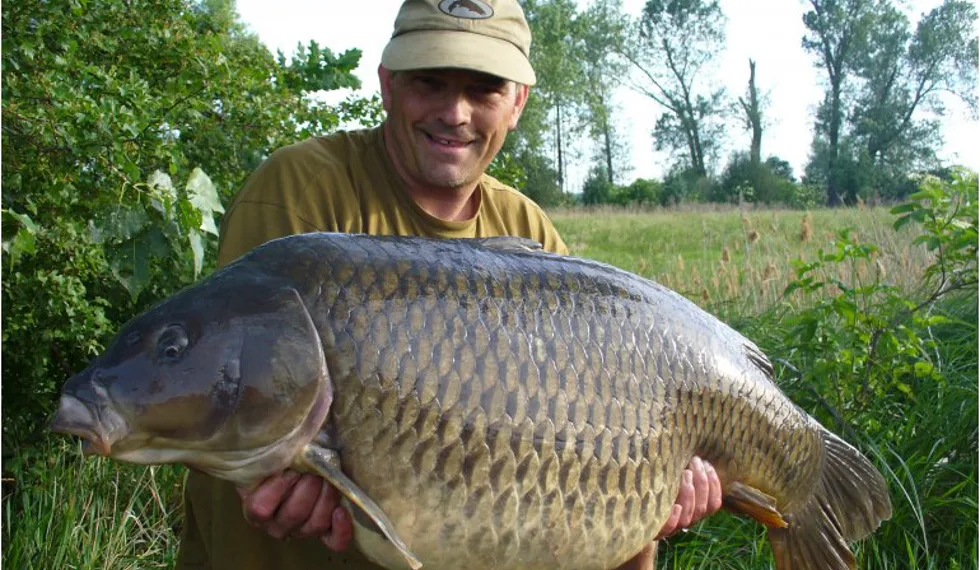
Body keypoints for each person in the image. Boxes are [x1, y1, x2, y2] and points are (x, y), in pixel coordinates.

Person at [176, 1, 723, 569]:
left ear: (517, 103)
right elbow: (217, 398)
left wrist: (647, 502)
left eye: (483, 90)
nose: (454, 113)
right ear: (387, 84)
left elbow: (569, 460)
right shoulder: (299, 194)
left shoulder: (529, 233)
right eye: (429, 83)